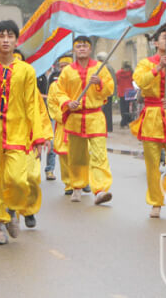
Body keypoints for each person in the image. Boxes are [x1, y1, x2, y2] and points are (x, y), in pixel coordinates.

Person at [0, 20, 52, 244]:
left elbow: (32, 104)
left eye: (10, 36)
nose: (5, 40)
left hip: (17, 131)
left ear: (16, 40)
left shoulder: (26, 70)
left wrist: (38, 135)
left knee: (17, 178)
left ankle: (12, 209)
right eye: (1, 36)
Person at [131, 29, 166, 218]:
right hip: (151, 118)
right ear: (155, 43)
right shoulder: (145, 64)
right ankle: (156, 202)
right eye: (165, 38)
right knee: (152, 165)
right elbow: (140, 82)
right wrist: (157, 68)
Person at [54, 35, 115, 205]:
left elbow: (110, 89)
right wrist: (67, 102)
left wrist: (100, 82)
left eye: (85, 46)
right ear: (74, 49)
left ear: (90, 49)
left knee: (99, 155)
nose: (82, 48)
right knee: (77, 156)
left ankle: (100, 190)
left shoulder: (99, 68)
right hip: (75, 118)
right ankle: (77, 186)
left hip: (95, 117)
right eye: (78, 46)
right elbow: (59, 92)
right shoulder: (67, 71)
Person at [47, 56, 72, 188]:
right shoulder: (54, 86)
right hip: (63, 123)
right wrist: (62, 116)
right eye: (61, 66)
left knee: (80, 154)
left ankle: (82, 180)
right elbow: (51, 104)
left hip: (78, 123)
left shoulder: (79, 83)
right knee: (64, 154)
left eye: (66, 66)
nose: (63, 69)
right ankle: (68, 183)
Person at [96, 52, 115, 132]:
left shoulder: (104, 67)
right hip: (108, 90)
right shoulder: (109, 67)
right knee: (108, 110)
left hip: (104, 90)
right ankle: (109, 127)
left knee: (104, 110)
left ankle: (106, 127)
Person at [116, 61, 134, 128]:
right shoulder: (131, 72)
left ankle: (123, 122)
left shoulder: (118, 73)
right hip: (130, 91)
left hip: (122, 91)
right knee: (129, 108)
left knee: (123, 108)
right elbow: (133, 80)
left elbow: (117, 81)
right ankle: (129, 121)